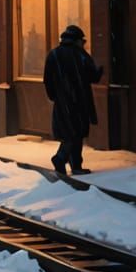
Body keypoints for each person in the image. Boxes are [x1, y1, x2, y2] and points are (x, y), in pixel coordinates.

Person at [43, 24, 102, 176]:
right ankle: (64, 159)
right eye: (82, 41)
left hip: (62, 102)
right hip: (79, 101)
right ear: (77, 41)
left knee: (69, 132)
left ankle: (68, 162)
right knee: (77, 132)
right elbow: (93, 76)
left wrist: (54, 96)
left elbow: (47, 80)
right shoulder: (80, 55)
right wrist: (100, 70)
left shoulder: (53, 54)